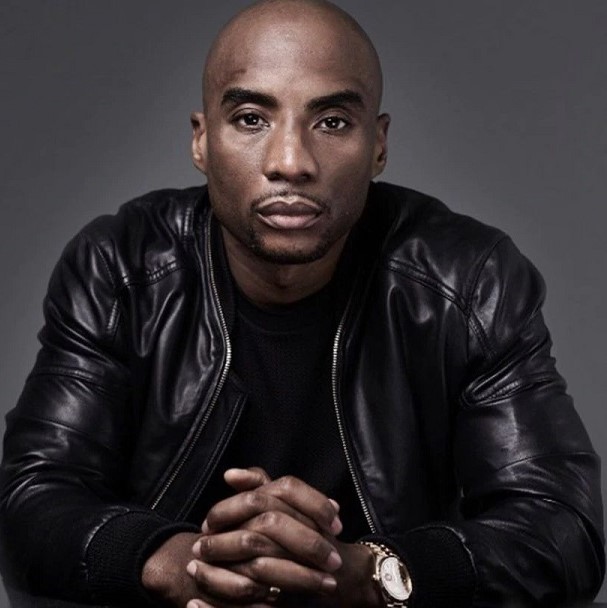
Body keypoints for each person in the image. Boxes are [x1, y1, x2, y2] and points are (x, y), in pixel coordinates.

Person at [0, 0, 604, 606]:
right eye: (250, 119)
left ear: (378, 144)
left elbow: (562, 529)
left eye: (333, 121)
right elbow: (28, 502)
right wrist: (185, 563)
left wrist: (366, 575)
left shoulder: (468, 281)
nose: (290, 163)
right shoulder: (121, 269)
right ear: (202, 140)